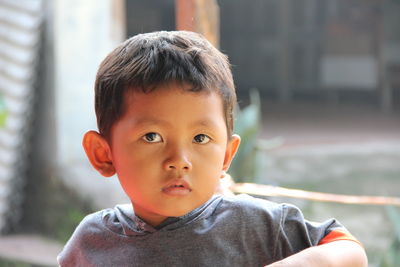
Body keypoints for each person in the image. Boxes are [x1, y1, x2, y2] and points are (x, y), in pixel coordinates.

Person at [57, 31, 367, 266]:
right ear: (103, 153)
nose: (179, 161)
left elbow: (350, 251)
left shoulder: (257, 225)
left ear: (227, 155)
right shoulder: (91, 241)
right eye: (152, 137)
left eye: (201, 139)